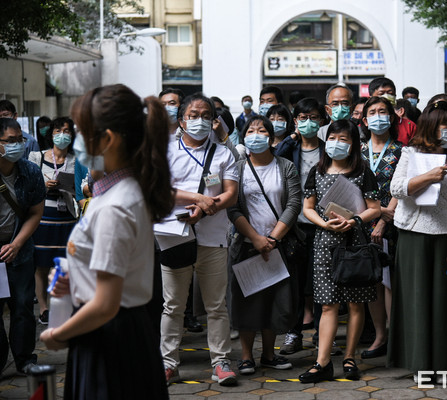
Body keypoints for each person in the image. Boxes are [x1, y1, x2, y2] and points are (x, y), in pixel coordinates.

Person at [39, 84, 172, 399]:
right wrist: (75, 278)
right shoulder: (112, 192)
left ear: (108, 139)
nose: (76, 141)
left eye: (82, 132)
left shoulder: (116, 205)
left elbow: (105, 304)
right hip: (112, 335)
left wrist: (57, 335)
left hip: (111, 342)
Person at [388, 100, 447, 381]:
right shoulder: (411, 153)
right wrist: (427, 177)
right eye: (446, 125)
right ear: (431, 127)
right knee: (418, 302)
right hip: (415, 236)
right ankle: (422, 364)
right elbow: (396, 188)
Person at [160, 93, 239, 386]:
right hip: (174, 235)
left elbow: (230, 193)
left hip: (213, 236)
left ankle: (220, 362)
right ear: (182, 120)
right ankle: (168, 364)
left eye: (206, 115)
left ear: (214, 120)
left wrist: (204, 211)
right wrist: (199, 199)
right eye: (193, 115)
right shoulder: (166, 151)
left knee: (216, 305)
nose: (200, 120)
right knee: (173, 305)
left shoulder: (223, 153)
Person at [299, 119, 381, 383]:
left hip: (354, 243)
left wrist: (354, 221)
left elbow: (374, 208)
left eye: (344, 139)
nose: (337, 143)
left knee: (356, 304)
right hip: (324, 244)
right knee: (328, 305)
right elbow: (307, 207)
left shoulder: (362, 170)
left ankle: (349, 358)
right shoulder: (317, 171)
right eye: (333, 138)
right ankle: (322, 362)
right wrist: (324, 223)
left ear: (354, 144)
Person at [227, 115, 302, 374]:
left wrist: (272, 238)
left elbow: (294, 204)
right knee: (246, 300)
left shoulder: (286, 166)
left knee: (274, 301)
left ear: (271, 138)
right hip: (246, 244)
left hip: (277, 245)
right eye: (250, 131)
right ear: (243, 137)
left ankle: (269, 355)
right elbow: (233, 208)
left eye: (261, 131)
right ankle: (246, 356)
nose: (255, 135)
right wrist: (256, 239)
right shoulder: (237, 168)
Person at [275, 97, 326, 355]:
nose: (308, 123)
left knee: (321, 283)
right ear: (295, 121)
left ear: (321, 120)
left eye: (313, 118)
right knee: (294, 284)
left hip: (322, 226)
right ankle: (293, 334)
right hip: (295, 227)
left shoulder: (329, 149)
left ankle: (321, 334)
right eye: (303, 118)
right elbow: (274, 157)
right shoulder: (290, 149)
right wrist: (292, 136)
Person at [359, 96, 403, 359]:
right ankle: (380, 336)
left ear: (392, 117)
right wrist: (371, 215)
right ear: (364, 120)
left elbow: (403, 185)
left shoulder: (402, 150)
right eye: (372, 112)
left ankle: (397, 337)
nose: (378, 116)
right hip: (363, 223)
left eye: (382, 111)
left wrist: (385, 218)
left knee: (391, 283)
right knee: (373, 282)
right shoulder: (358, 150)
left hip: (394, 224)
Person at [0, 118, 44, 375]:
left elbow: (35, 213)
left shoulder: (30, 171)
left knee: (23, 306)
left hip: (20, 248)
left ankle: (25, 359)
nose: (18, 144)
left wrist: (17, 243)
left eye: (20, 140)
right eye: (10, 141)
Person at [28, 117, 77, 325]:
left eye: (67, 131)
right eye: (58, 130)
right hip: (42, 218)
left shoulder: (76, 160)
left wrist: (65, 186)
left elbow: (82, 187)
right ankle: (44, 308)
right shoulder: (36, 157)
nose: (62, 134)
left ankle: (63, 306)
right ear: (51, 134)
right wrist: (43, 186)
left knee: (66, 265)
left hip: (67, 219)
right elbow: (28, 186)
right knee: (41, 265)